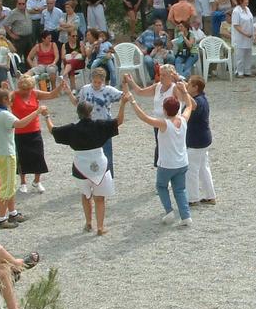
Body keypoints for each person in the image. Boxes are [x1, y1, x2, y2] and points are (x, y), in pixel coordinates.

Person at [46, 94, 128, 235]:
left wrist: (46, 116)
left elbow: (53, 130)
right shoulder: (99, 125)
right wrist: (123, 104)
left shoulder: (72, 129)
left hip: (80, 167)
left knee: (86, 195)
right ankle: (100, 227)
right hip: (100, 164)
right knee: (100, 198)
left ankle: (89, 223)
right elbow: (119, 121)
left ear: (78, 113)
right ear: (91, 112)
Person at [125, 83, 196, 227]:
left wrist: (133, 101)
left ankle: (169, 211)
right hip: (182, 162)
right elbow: (188, 106)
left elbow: (144, 117)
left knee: (161, 186)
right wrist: (184, 91)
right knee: (180, 189)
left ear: (164, 110)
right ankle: (185, 216)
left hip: (167, 164)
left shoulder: (163, 124)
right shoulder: (183, 120)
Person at [0, 87, 47, 228]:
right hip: (5, 154)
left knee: (10, 183)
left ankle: (13, 213)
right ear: (5, 100)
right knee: (7, 187)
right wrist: (36, 112)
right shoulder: (4, 115)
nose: (12, 101)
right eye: (10, 99)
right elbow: (20, 124)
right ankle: (1, 219)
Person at [70, 67, 123, 173]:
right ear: (91, 80)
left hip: (104, 124)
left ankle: (108, 175)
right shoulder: (85, 89)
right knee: (89, 152)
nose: (97, 84)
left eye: (99, 82)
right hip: (89, 124)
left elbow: (123, 96)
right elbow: (77, 103)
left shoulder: (109, 90)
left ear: (103, 81)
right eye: (95, 82)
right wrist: (68, 92)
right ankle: (91, 174)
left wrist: (125, 85)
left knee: (107, 152)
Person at [12, 75, 59, 194]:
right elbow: (1, 100)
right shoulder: (13, 95)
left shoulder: (35, 93)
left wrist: (60, 87)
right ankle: (23, 182)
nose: (27, 91)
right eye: (24, 89)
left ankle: (37, 181)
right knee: (21, 158)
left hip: (35, 130)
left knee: (38, 156)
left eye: (29, 89)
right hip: (19, 131)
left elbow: (51, 95)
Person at [183, 75, 215, 206]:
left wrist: (183, 92)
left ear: (195, 88)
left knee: (192, 170)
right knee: (203, 169)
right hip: (203, 139)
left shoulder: (199, 101)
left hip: (196, 141)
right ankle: (210, 195)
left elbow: (193, 105)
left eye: (189, 84)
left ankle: (193, 198)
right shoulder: (201, 97)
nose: (187, 86)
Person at [230, 0, 255, 78]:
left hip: (249, 36)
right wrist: (245, 33)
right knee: (240, 55)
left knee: (248, 54)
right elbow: (236, 25)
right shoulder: (236, 11)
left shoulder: (247, 9)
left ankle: (247, 71)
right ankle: (239, 72)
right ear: (240, 1)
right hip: (240, 37)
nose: (247, 1)